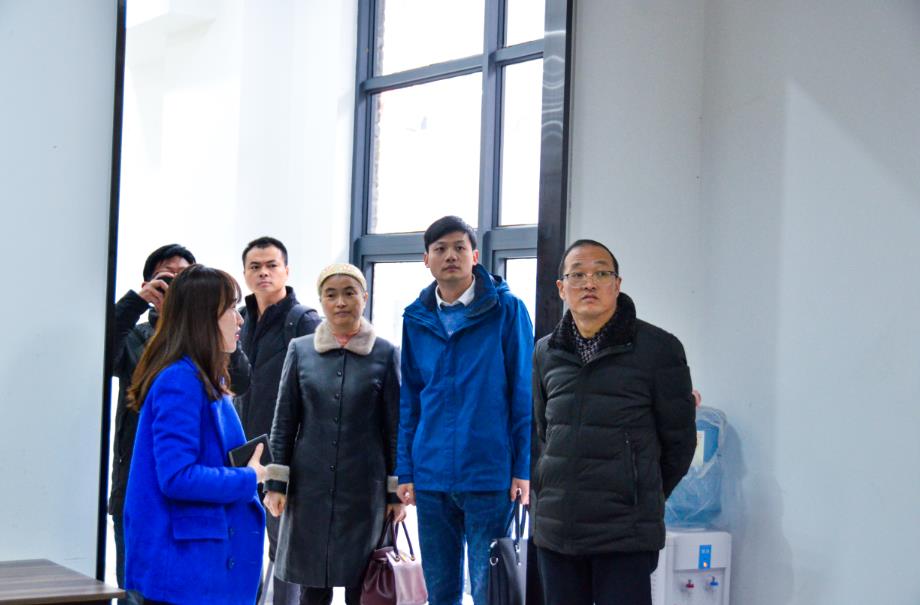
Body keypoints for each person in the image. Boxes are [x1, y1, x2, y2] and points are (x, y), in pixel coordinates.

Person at [530, 239, 697, 605]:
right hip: (558, 531)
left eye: (601, 273)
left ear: (617, 284)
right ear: (561, 288)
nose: (589, 283)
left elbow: (680, 443)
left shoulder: (659, 349)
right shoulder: (545, 351)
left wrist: (642, 493)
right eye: (577, 275)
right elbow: (545, 432)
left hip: (624, 534)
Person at [396, 216, 533, 605]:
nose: (450, 256)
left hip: (488, 472)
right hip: (431, 474)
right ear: (426, 259)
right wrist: (406, 471)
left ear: (474, 256)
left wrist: (523, 468)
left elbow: (524, 393)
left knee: (490, 589)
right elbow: (411, 401)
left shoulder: (507, 310)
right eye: (440, 249)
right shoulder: (415, 317)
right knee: (439, 590)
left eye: (459, 247)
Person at [108, 244, 250, 603]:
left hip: (200, 556)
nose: (239, 320)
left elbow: (243, 377)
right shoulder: (180, 378)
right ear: (203, 316)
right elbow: (178, 477)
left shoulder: (203, 374)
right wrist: (251, 477)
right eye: (231, 309)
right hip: (184, 563)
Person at [264, 263, 402, 605]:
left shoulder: (385, 353)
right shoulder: (300, 350)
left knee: (364, 586)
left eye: (349, 293)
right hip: (308, 488)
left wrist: (395, 492)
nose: (341, 302)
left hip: (365, 490)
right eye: (331, 294)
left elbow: (395, 428)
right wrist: (276, 484)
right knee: (312, 586)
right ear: (321, 301)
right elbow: (284, 421)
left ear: (364, 297)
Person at [235, 236, 320, 604]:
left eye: (272, 265)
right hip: (241, 452)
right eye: (255, 267)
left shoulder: (303, 321)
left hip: (284, 454)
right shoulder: (238, 319)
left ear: (287, 270)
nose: (264, 273)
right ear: (245, 273)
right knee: (242, 543)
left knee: (284, 550)